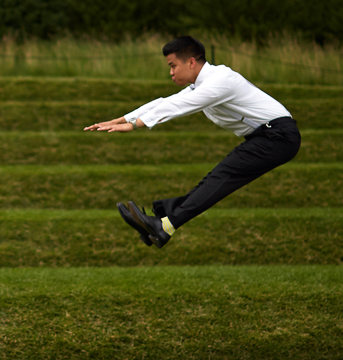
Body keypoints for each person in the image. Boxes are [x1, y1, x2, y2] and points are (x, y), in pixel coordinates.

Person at [84, 36, 300, 248]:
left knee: (221, 177)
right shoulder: (202, 84)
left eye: (173, 65)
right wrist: (122, 119)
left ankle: (163, 226)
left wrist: (134, 125)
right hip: (269, 137)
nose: (170, 72)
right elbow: (166, 101)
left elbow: (180, 106)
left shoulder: (220, 81)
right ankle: (161, 223)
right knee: (214, 180)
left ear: (191, 62)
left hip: (278, 136)